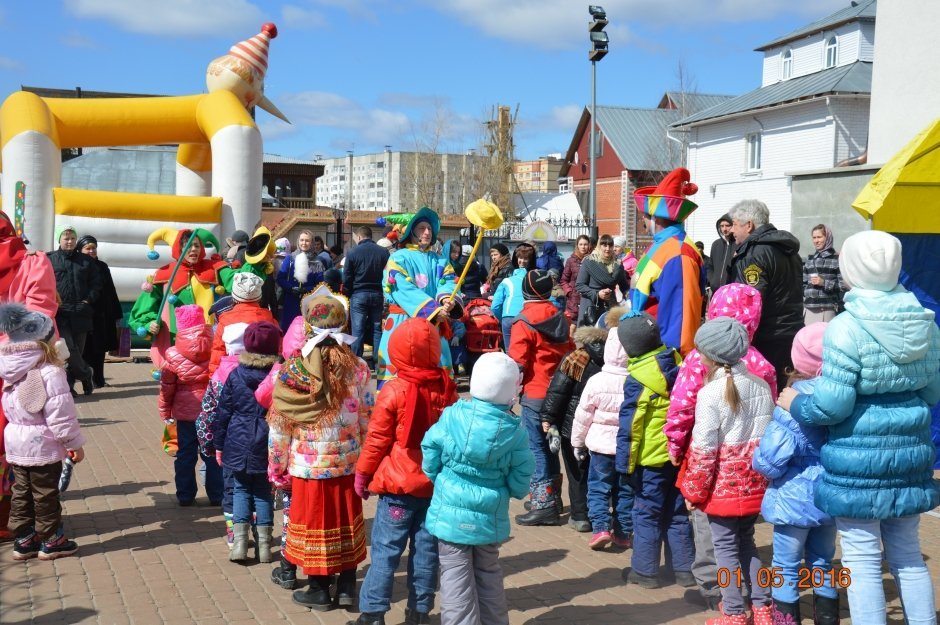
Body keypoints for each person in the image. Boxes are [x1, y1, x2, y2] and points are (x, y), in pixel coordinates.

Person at [778, 231, 940, 625]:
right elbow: (933, 393)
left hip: (857, 459)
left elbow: (832, 406)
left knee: (862, 558)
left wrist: (796, 402)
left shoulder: (845, 327)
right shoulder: (926, 323)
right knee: (906, 553)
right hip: (909, 453)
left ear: (851, 267)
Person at [663, 283, 778, 609]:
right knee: (747, 540)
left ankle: (721, 598)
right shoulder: (763, 366)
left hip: (712, 469)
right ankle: (761, 603)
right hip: (752, 470)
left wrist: (675, 446)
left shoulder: (701, 360)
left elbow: (682, 409)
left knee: (714, 536)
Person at [267, 293, 373, 611]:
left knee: (314, 523)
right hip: (346, 463)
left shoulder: (292, 372)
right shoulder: (359, 368)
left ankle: (318, 588)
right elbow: (369, 416)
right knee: (346, 521)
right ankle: (345, 588)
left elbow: (280, 427)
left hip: (307, 467)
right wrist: (366, 458)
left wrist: (276, 466)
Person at [351, 318, 458, 625]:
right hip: (434, 485)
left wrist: (363, 474)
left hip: (398, 488)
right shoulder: (447, 387)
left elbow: (377, 440)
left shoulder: (394, 390)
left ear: (395, 349)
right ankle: (420, 612)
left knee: (386, 552)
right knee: (426, 553)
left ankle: (372, 614)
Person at [421, 352, 535, 625]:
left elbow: (430, 446)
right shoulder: (515, 432)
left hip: (450, 514)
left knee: (454, 579)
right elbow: (524, 472)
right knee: (489, 574)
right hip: (489, 515)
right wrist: (513, 490)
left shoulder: (451, 417)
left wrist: (436, 476)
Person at [752, 323, 838, 625]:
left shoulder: (792, 401)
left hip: (793, 499)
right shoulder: (843, 398)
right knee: (823, 563)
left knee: (785, 567)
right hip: (830, 495)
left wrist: (758, 461)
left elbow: (771, 459)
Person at [0, 303, 85, 560]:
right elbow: (60, 414)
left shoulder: (10, 370)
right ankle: (52, 539)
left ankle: (24, 539)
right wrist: (73, 443)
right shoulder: (50, 372)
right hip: (42, 444)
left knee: (21, 492)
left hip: (15, 442)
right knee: (46, 492)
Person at [615, 313, 693, 590]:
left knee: (646, 513)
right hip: (677, 454)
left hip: (649, 460)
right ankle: (684, 570)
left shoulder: (637, 379)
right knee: (676, 510)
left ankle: (645, 571)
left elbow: (631, 426)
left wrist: (624, 464)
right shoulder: (678, 362)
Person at [0, 211, 58, 542]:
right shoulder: (34, 262)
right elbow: (41, 311)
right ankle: (29, 527)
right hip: (22, 367)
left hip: (16, 365)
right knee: (29, 447)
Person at [129, 227, 247, 370]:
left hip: (209, 341)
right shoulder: (164, 274)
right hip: (174, 344)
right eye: (188, 245)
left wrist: (256, 260)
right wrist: (150, 324)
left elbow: (240, 279)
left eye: (197, 245)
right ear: (178, 248)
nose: (193, 249)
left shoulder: (215, 268)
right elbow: (143, 311)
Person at [509, 270, 574, 527]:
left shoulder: (523, 321)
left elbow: (517, 363)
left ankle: (543, 505)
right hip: (559, 393)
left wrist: (509, 395)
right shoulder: (560, 317)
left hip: (535, 393)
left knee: (537, 449)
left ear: (526, 292)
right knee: (551, 446)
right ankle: (552, 498)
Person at [215, 320, 281, 564]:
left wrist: (219, 445)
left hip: (237, 440)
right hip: (268, 440)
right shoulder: (279, 375)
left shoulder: (235, 375)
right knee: (263, 492)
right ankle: (264, 547)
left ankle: (240, 544)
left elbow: (223, 413)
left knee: (241, 490)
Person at [377, 207, 463, 388]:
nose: (427, 232)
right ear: (411, 233)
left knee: (436, 383)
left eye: (430, 229)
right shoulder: (398, 258)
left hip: (435, 324)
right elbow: (401, 288)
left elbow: (448, 282)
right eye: (421, 228)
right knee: (400, 385)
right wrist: (433, 311)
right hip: (403, 322)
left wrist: (447, 299)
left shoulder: (440, 260)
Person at [727, 199, 803, 391]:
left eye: (735, 224)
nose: (731, 231)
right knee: (786, 388)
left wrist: (737, 342)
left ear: (749, 225)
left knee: (765, 392)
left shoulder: (755, 253)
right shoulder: (787, 250)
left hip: (767, 337)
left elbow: (751, 301)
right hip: (791, 331)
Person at [538, 325, 607, 533]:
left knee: (576, 472)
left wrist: (547, 416)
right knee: (601, 473)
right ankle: (601, 516)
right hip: (603, 426)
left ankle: (580, 516)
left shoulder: (576, 358)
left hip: (573, 423)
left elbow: (558, 390)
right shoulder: (618, 359)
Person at [570, 328, 634, 551]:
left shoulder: (597, 380)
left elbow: (583, 414)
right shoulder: (636, 380)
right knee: (624, 490)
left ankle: (601, 529)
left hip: (600, 448)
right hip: (627, 447)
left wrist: (577, 442)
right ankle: (624, 532)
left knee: (598, 488)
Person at [631, 168, 706, 356]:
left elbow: (681, 320)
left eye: (645, 218)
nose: (644, 224)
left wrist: (673, 362)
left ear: (655, 218)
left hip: (663, 355)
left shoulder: (679, 253)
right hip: (646, 346)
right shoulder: (661, 246)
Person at [159, 304, 221, 507]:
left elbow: (167, 387)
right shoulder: (215, 348)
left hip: (185, 414)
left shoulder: (172, 354)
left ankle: (185, 495)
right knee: (211, 453)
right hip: (211, 410)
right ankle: (217, 494)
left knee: (185, 453)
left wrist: (165, 409)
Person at [196, 320, 249, 549]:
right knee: (257, 490)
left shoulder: (219, 375)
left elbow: (207, 413)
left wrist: (207, 443)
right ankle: (257, 533)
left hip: (228, 444)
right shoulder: (267, 370)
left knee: (231, 489)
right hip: (259, 443)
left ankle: (234, 534)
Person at [49, 225, 102, 396]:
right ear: (59, 240)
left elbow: (96, 284)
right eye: (66, 238)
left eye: (72, 238)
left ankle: (70, 386)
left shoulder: (86, 261)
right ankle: (87, 374)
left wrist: (87, 300)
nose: (70, 241)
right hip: (61, 313)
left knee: (77, 351)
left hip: (81, 312)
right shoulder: (50, 259)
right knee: (68, 350)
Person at [76, 235, 123, 389]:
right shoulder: (76, 265)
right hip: (83, 313)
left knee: (99, 349)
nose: (91, 251)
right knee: (84, 348)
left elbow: (111, 290)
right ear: (80, 250)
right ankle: (85, 378)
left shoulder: (102, 266)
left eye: (93, 248)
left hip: (102, 314)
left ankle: (99, 380)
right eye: (87, 248)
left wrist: (117, 314)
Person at [209, 273, 275, 376]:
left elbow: (218, 350)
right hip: (263, 374)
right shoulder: (269, 320)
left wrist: (213, 376)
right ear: (259, 297)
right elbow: (278, 350)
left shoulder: (225, 320)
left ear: (234, 298)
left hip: (231, 374)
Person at [343, 226, 390, 365]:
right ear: (370, 236)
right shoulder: (383, 252)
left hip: (358, 294)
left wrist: (348, 291)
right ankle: (378, 362)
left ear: (358, 237)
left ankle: (357, 363)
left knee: (358, 330)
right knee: (377, 329)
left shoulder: (352, 253)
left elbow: (347, 277)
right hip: (377, 294)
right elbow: (389, 274)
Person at [276, 230, 325, 331]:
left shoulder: (317, 261)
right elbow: (280, 278)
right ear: (298, 241)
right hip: (291, 300)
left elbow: (320, 284)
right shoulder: (290, 258)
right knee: (289, 330)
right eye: (302, 240)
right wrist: (290, 288)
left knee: (307, 331)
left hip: (309, 302)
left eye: (307, 241)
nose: (304, 243)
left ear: (312, 243)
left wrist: (307, 289)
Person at [576, 234, 629, 327]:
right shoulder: (589, 261)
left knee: (609, 338)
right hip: (590, 307)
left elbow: (624, 286)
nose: (607, 249)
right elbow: (580, 285)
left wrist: (630, 299)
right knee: (590, 338)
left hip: (609, 307)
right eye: (604, 245)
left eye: (610, 245)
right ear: (599, 246)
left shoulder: (618, 264)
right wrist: (597, 294)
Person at [491, 244, 534, 350]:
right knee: (525, 351)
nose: (522, 261)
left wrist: (503, 318)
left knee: (510, 352)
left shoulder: (506, 281)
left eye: (525, 258)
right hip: (526, 318)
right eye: (520, 258)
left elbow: (495, 306)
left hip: (508, 318)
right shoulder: (533, 280)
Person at [802, 224, 844, 324]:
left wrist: (824, 283)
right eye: (814, 237)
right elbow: (802, 284)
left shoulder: (837, 259)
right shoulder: (810, 259)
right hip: (808, 310)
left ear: (827, 237)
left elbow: (843, 286)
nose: (816, 241)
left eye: (819, 237)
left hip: (827, 310)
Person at [561, 235, 592, 325]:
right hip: (573, 299)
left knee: (587, 324)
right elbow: (563, 280)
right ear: (577, 245)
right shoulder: (571, 261)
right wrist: (570, 292)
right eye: (581, 244)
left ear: (589, 245)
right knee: (572, 326)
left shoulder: (593, 260)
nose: (583, 247)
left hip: (588, 297)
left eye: (585, 244)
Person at [709, 214, 735, 292]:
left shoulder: (738, 244)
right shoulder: (716, 244)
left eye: (727, 225)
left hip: (731, 292)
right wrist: (712, 281)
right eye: (722, 226)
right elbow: (710, 266)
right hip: (715, 291)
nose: (724, 229)